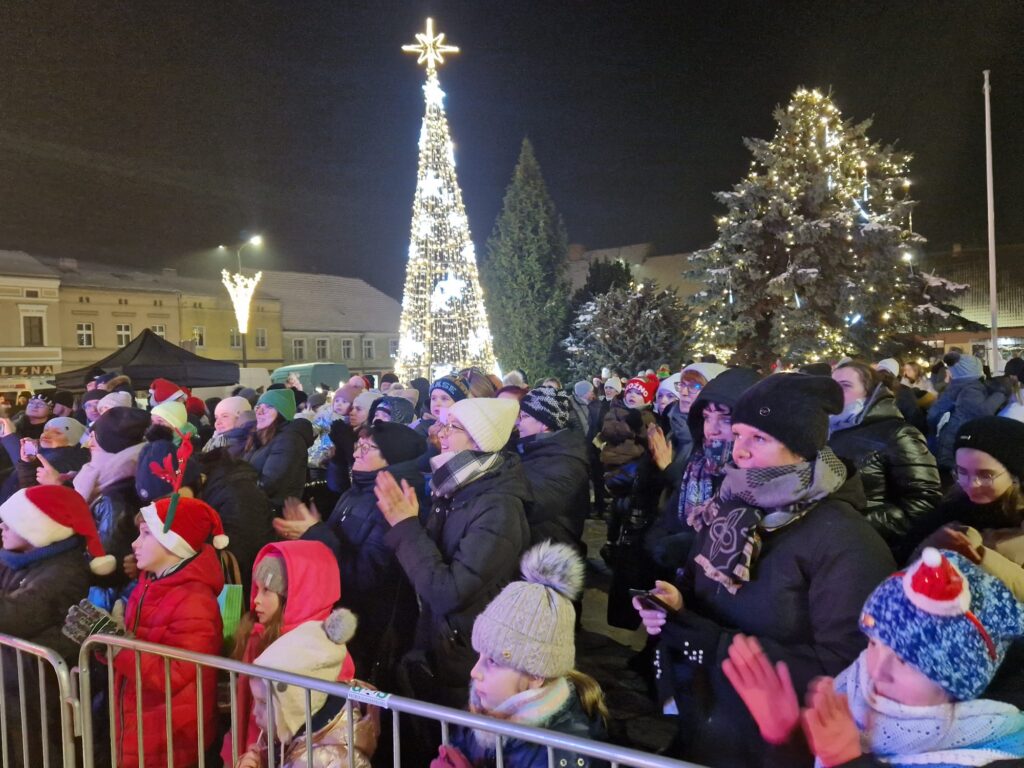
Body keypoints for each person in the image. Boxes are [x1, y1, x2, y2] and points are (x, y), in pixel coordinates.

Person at [636, 374, 895, 768]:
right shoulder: (731, 506)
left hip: (779, 747)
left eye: (758, 438)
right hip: (712, 722)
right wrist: (677, 604)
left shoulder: (845, 539)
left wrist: (718, 647)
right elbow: (703, 587)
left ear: (800, 448)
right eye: (739, 434)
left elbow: (851, 666)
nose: (739, 451)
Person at [724, 548, 1024, 767]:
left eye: (905, 661)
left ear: (960, 682)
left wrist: (847, 761)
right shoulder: (853, 688)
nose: (877, 670)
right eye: (873, 643)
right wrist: (788, 737)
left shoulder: (993, 754)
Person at [374, 397, 530, 709]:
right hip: (442, 638)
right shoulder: (455, 488)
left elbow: (449, 591)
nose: (440, 434)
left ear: (480, 440)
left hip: (464, 653)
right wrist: (413, 524)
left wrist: (406, 527)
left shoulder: (498, 508)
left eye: (453, 427)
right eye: (443, 425)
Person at [432, 542, 608, 768]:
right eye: (480, 656)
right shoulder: (485, 706)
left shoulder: (559, 755)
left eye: (493, 661)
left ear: (535, 675)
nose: (474, 672)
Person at [278, 422, 426, 683]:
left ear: (391, 457)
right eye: (359, 445)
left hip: (365, 627)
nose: (356, 453)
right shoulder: (358, 490)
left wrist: (315, 531)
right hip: (342, 616)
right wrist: (311, 531)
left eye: (367, 448)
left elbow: (365, 576)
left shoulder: (392, 504)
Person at [0, 486, 115, 768]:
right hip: (15, 686)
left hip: (38, 694)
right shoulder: (17, 560)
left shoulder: (65, 571)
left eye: (11, 523)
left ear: (36, 530)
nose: (2, 527)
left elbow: (16, 617)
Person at [114, 496, 228, 768]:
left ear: (174, 542)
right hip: (143, 725)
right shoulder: (150, 584)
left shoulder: (194, 601)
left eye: (145, 534)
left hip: (171, 741)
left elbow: (171, 674)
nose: (135, 544)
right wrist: (103, 644)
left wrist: (117, 646)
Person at [223, 540, 355, 763]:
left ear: (297, 595)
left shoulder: (324, 655)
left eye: (267, 591)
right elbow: (245, 713)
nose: (256, 600)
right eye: (257, 588)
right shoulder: (257, 636)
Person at [646, 367, 761, 575]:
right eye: (707, 417)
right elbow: (669, 518)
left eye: (726, 419)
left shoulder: (758, 480)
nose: (711, 429)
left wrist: (692, 546)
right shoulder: (698, 464)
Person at [828, 362, 941, 562]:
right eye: (832, 386)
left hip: (878, 552)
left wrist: (854, 523)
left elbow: (923, 503)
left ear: (869, 392)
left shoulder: (899, 434)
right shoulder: (827, 431)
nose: (835, 393)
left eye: (845, 385)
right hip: (835, 549)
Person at [237, 611, 377, 768]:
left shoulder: (335, 760)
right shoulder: (287, 734)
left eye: (263, 702)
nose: (255, 712)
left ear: (295, 704)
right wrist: (261, 762)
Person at [515, 387, 590, 551]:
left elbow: (525, 504)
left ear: (544, 423)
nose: (518, 422)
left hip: (551, 553)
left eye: (525, 416)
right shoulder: (541, 450)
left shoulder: (565, 463)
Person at [928, 350, 1005, 476]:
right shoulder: (971, 389)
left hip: (947, 443)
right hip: (958, 445)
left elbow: (932, 415)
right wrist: (1000, 393)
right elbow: (983, 411)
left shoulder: (955, 387)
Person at [243, 389, 313, 511]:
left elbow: (269, 484)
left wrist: (237, 483)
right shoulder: (261, 438)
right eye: (258, 407)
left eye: (269, 407)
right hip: (259, 508)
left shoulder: (288, 440)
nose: (260, 412)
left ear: (283, 413)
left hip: (275, 513)